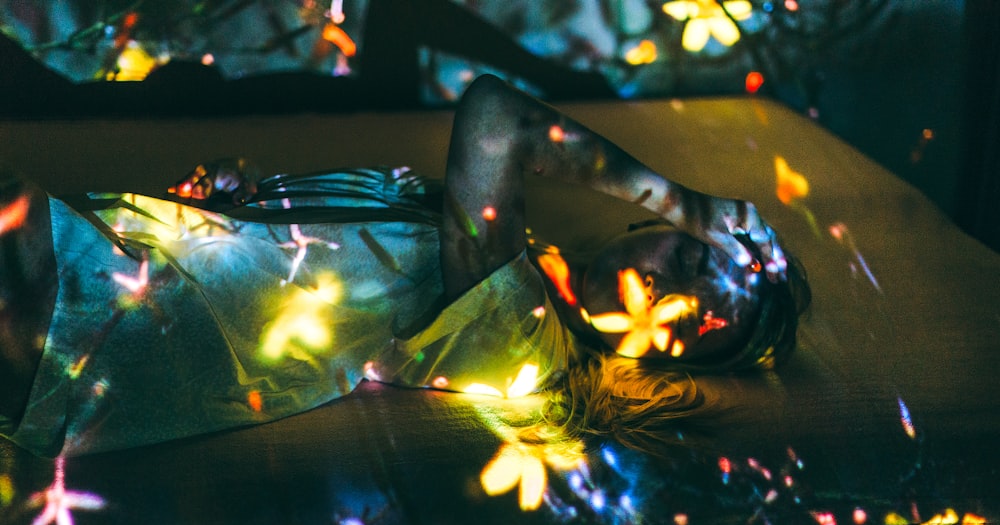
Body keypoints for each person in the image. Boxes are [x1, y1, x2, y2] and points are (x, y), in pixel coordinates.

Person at [0, 75, 808, 458]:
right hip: (117, 276)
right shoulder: (525, 258)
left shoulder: (527, 347)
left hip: (103, 332)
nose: (668, 293)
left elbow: (493, 117)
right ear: (646, 227)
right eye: (693, 261)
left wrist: (690, 205)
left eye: (697, 322)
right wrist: (245, 202)